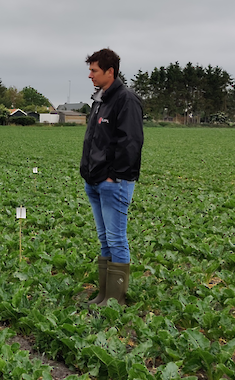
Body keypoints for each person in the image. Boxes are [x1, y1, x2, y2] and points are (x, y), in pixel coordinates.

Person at [81, 48, 144, 306]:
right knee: (104, 239)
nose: (90, 75)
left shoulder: (126, 100)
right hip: (94, 180)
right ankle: (103, 295)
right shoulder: (101, 100)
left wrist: (113, 177)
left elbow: (130, 143)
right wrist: (89, 176)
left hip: (113, 183)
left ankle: (115, 300)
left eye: (94, 70)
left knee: (117, 238)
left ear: (110, 71)